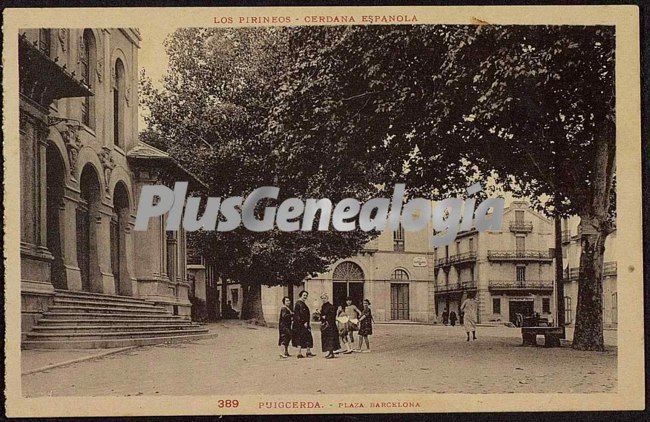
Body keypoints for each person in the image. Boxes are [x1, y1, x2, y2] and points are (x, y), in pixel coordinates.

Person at [292, 290, 315, 358]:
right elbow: (299, 314)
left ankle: (308, 352)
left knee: (307, 337)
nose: (305, 297)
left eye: (306, 295)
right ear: (301, 295)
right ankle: (299, 353)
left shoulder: (301, 303)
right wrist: (304, 322)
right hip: (301, 324)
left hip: (303, 323)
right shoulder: (299, 303)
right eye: (304, 295)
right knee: (302, 337)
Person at [319, 293, 340, 359]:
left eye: (324, 298)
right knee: (326, 339)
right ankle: (329, 352)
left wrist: (326, 317)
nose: (323, 299)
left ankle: (331, 353)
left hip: (331, 325)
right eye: (322, 298)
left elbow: (332, 315)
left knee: (330, 339)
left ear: (327, 298)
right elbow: (322, 315)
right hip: (325, 325)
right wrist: (321, 316)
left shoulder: (331, 306)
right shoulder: (323, 306)